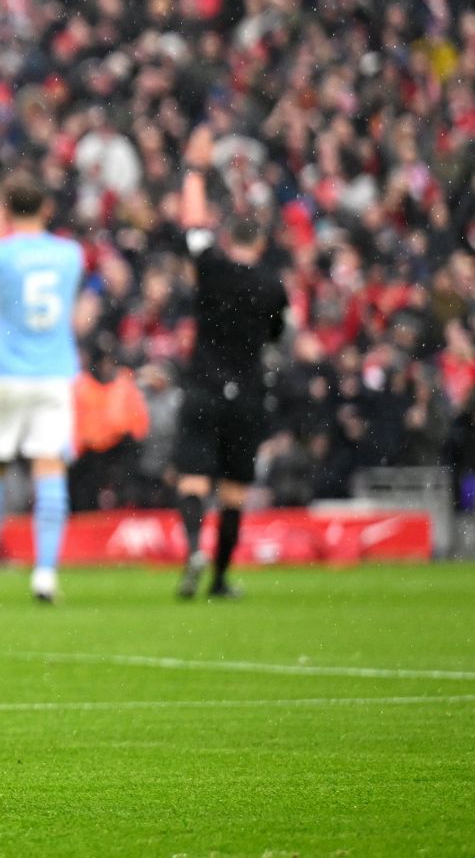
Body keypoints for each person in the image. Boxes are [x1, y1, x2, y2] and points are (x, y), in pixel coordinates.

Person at [172, 127, 290, 600]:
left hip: (203, 386)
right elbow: (277, 337)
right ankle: (220, 577)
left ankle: (193, 550)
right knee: (235, 489)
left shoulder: (212, 270)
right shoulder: (271, 285)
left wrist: (195, 173)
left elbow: (193, 229)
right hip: (247, 393)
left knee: (194, 478)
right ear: (259, 243)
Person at [0, 177, 86, 604]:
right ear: (47, 208)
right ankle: (45, 575)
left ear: (7, 211)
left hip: (9, 373)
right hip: (54, 374)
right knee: (49, 470)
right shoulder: (70, 254)